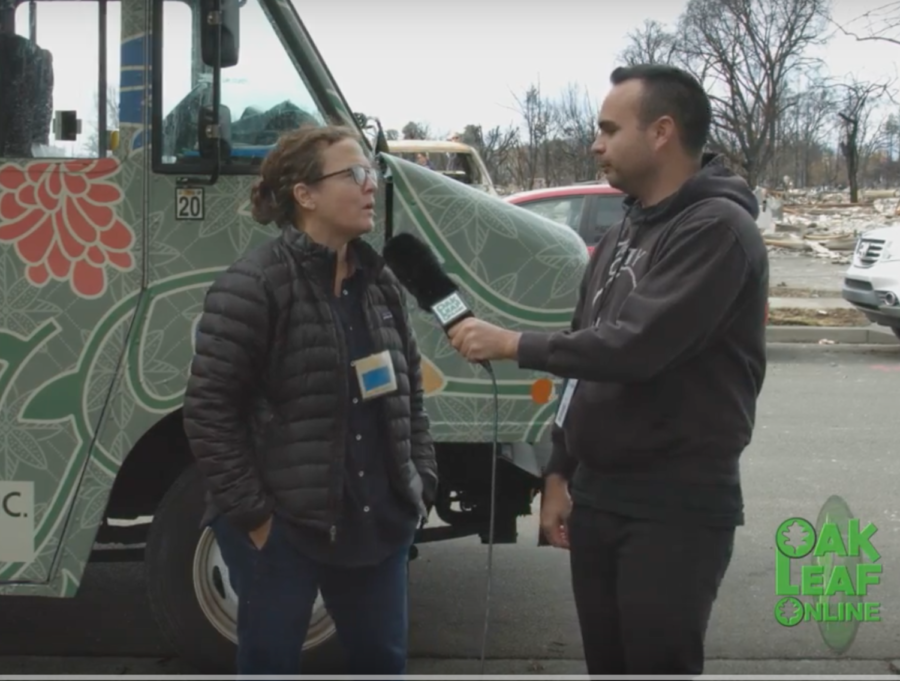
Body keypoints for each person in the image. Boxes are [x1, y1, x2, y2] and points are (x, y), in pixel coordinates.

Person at [447, 64, 768, 675]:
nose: (595, 144)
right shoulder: (624, 230)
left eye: (608, 129)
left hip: (673, 507)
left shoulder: (717, 231)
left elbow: (632, 348)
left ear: (662, 132)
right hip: (600, 496)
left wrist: (512, 342)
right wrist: (560, 471)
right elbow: (583, 356)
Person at [182, 123, 438, 676]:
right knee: (270, 663)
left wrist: (417, 482)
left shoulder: (381, 282)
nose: (372, 185)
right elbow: (209, 412)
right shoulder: (253, 285)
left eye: (372, 173)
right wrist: (255, 519)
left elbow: (409, 393)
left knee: (382, 662)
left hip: (375, 524)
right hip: (285, 529)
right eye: (356, 174)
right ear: (306, 195)